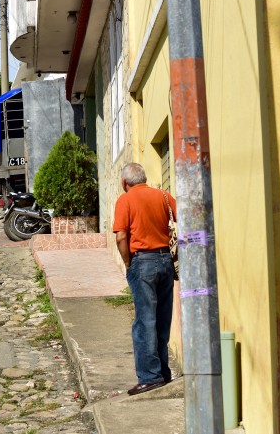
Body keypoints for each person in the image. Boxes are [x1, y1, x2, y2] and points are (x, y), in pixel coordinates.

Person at [113, 162, 177, 396]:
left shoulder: (125, 200)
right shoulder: (162, 195)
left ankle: (150, 377)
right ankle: (162, 371)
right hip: (165, 261)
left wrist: (128, 262)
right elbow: (184, 217)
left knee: (144, 322)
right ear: (144, 178)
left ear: (124, 183)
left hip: (143, 262)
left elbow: (121, 236)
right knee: (162, 319)